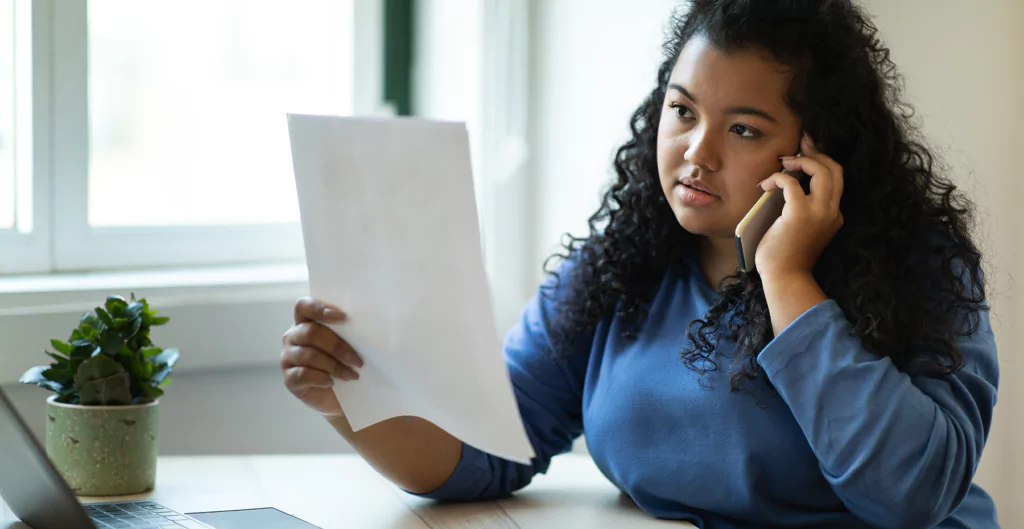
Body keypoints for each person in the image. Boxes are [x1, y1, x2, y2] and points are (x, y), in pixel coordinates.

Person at [279, 0, 1000, 527]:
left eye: (743, 128)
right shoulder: (618, 266)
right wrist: (347, 398)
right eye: (682, 111)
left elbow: (911, 496)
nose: (696, 151)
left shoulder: (919, 267)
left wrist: (787, 278)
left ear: (818, 151)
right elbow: (486, 451)